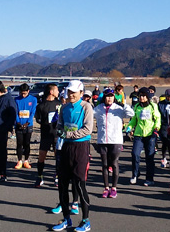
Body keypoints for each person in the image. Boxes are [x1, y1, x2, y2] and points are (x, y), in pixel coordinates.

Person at [52, 80, 94, 232]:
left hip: (81, 147)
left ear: (81, 93)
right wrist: (60, 131)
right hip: (66, 147)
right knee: (62, 184)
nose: (71, 95)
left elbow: (88, 129)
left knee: (79, 183)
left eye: (74, 92)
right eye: (69, 92)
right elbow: (60, 125)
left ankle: (85, 220)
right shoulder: (64, 107)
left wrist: (68, 134)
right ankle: (66, 219)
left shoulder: (86, 106)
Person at [94, 88, 134, 198]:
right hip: (102, 140)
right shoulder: (98, 109)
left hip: (115, 140)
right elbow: (88, 115)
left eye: (111, 96)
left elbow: (131, 113)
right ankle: (106, 187)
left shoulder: (118, 108)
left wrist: (123, 103)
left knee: (114, 163)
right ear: (104, 97)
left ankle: (114, 188)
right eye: (107, 96)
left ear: (114, 97)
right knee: (105, 164)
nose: (109, 98)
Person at [126, 87, 161, 186]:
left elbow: (157, 118)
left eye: (144, 96)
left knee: (149, 157)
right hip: (138, 135)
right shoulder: (137, 106)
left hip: (150, 135)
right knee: (135, 154)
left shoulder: (153, 106)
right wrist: (129, 127)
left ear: (148, 97)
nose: (142, 97)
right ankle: (135, 174)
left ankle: (149, 178)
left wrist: (156, 129)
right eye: (140, 96)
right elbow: (134, 120)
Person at [35, 83, 61, 187]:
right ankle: (40, 177)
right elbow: (38, 118)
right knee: (41, 156)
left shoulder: (59, 104)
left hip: (56, 134)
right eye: (56, 90)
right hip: (45, 134)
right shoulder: (41, 105)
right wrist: (43, 122)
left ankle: (57, 176)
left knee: (58, 156)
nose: (58, 92)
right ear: (51, 92)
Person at [14, 83, 37, 170]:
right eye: (21, 93)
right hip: (19, 124)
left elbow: (32, 112)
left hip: (28, 124)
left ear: (28, 91)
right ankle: (19, 160)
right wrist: (18, 122)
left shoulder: (33, 99)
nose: (23, 95)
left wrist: (27, 123)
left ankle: (26, 160)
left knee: (27, 143)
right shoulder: (16, 99)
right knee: (19, 143)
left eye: (25, 93)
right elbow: (15, 112)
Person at [158, 89, 170, 168]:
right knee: (165, 142)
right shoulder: (161, 104)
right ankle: (164, 158)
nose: (169, 98)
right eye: (168, 96)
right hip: (164, 125)